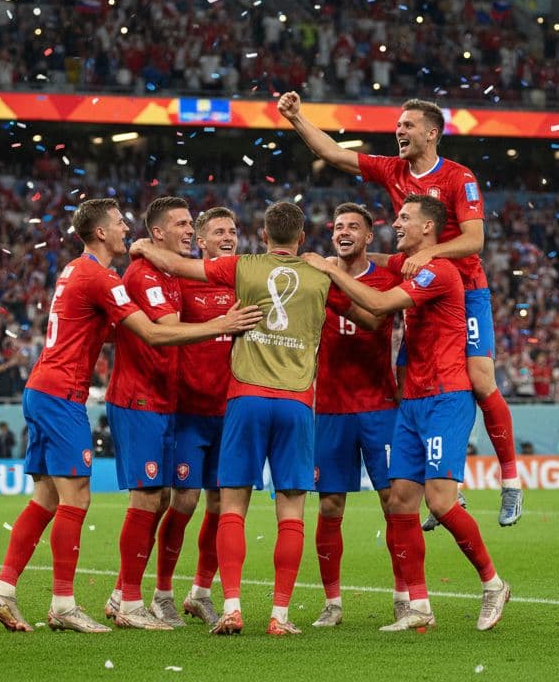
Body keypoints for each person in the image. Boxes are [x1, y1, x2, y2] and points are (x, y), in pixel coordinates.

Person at [0, 198, 261, 635]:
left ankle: (4, 589)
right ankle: (82, 602)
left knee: (48, 499)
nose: (124, 229)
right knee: (97, 499)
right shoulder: (108, 275)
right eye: (117, 224)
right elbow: (152, 332)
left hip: (49, 389)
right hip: (82, 396)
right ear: (100, 233)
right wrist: (224, 323)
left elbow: (116, 332)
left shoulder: (85, 271)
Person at [279, 91, 523, 527]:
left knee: (480, 377)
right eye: (398, 125)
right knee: (407, 381)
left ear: (432, 133)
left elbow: (475, 240)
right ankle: (444, 485)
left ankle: (511, 482)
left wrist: (430, 255)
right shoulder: (394, 170)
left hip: (463, 290)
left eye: (407, 125)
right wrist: (297, 118)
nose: (399, 131)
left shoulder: (458, 177)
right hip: (419, 287)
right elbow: (334, 153)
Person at [132, 200, 369, 636]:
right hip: (297, 403)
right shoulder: (320, 276)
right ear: (301, 238)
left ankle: (232, 607)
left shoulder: (243, 267)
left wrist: (145, 246)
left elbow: (178, 267)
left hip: (244, 399)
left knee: (231, 506)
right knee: (292, 511)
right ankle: (279, 615)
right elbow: (369, 315)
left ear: (262, 236)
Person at [303, 194, 510, 632]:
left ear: (429, 228)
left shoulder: (437, 269)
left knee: (439, 500)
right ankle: (418, 605)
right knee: (400, 501)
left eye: (404, 218)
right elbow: (376, 261)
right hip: (412, 402)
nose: (396, 223)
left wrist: (329, 272)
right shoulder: (408, 263)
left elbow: (378, 309)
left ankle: (493, 583)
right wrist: (344, 258)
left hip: (445, 396)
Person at [102, 196, 201, 630]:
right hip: (138, 398)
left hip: (165, 400)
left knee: (161, 496)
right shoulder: (142, 273)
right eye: (181, 223)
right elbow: (164, 332)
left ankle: (123, 592)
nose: (190, 230)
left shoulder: (170, 270)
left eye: (191, 222)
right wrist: (223, 325)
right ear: (157, 233)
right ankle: (128, 600)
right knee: (146, 496)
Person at [309, 203, 404, 628]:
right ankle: (332, 602)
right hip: (330, 407)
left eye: (353, 227)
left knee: (393, 502)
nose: (343, 232)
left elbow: (373, 318)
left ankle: (406, 596)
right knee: (330, 505)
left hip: (380, 406)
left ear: (369, 237)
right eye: (338, 227)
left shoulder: (386, 280)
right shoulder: (315, 278)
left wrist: (332, 277)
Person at [154, 206, 240, 628]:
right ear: (201, 241)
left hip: (231, 413)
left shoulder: (246, 281)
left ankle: (201, 592)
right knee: (183, 500)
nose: (228, 236)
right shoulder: (184, 282)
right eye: (218, 231)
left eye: (233, 230)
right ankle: (163, 592)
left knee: (222, 503)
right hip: (189, 411)